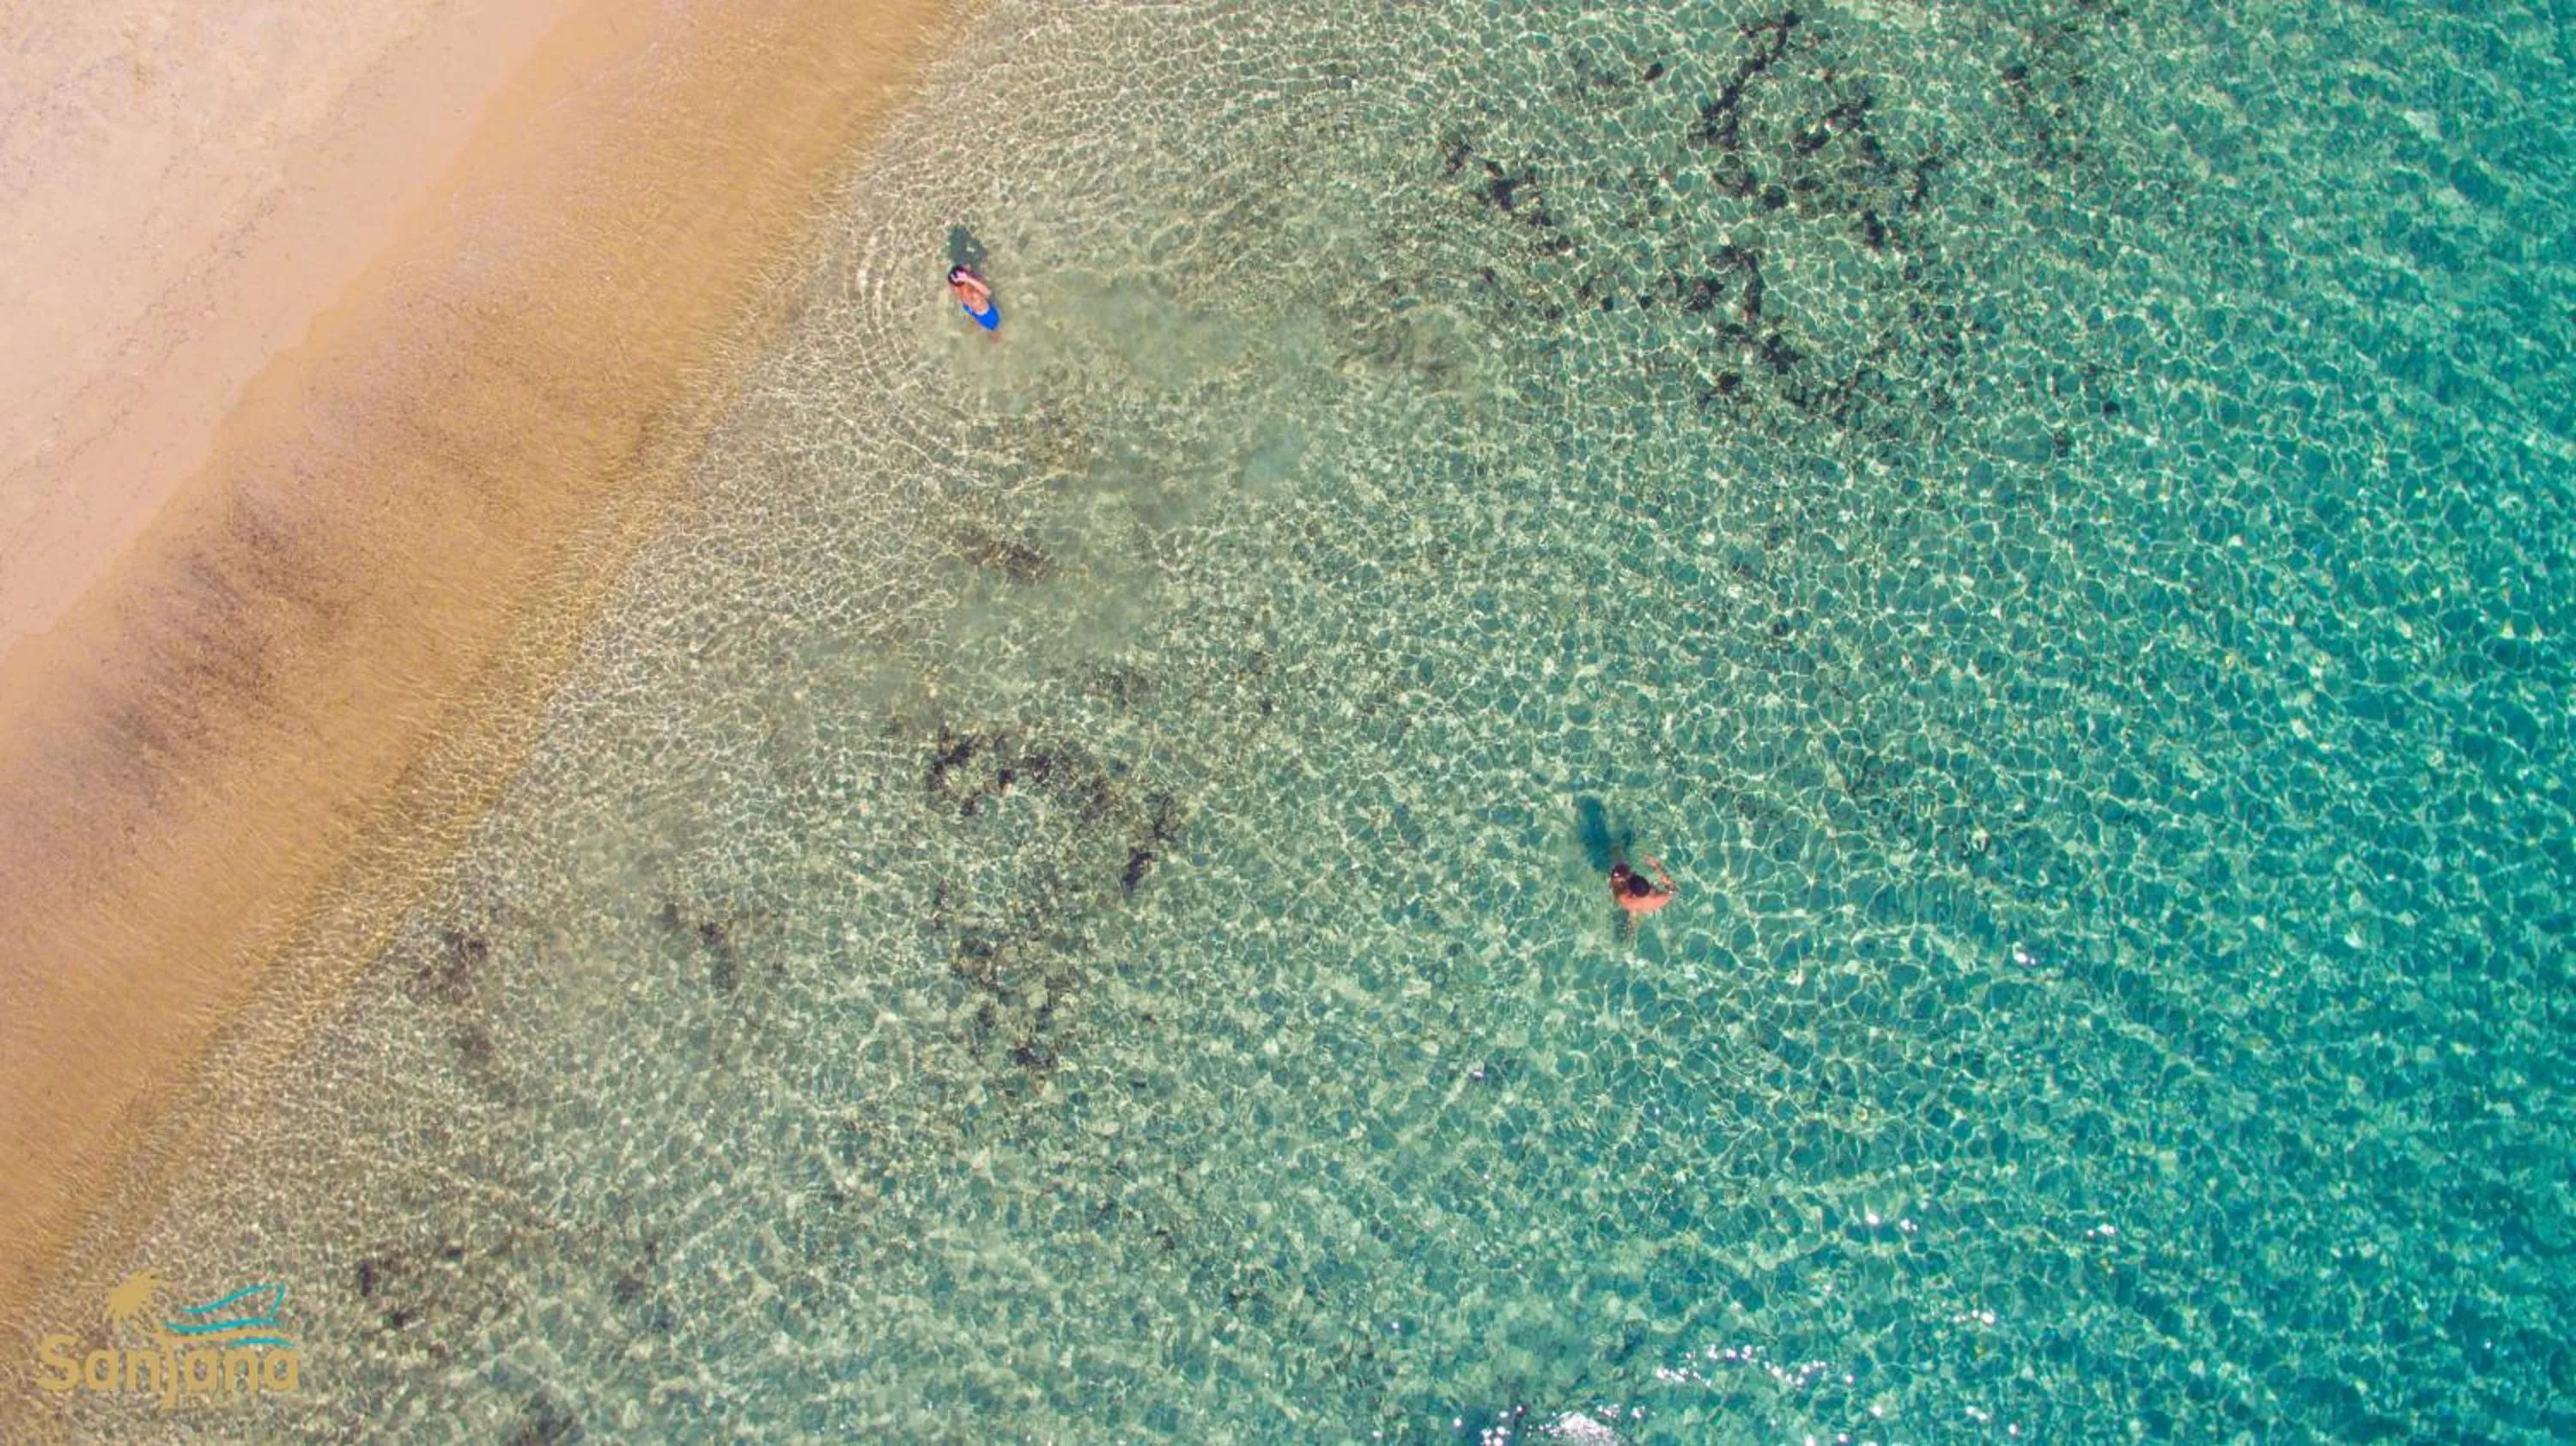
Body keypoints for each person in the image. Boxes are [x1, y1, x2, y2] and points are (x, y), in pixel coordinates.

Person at [1609, 855, 1675, 916]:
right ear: (1649, 885)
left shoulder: (1625, 899)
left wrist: (1616, 879)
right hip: (1649, 909)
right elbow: (1673, 889)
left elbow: (1614, 884)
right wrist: (1656, 866)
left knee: (1619, 865)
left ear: (1632, 893)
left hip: (1632, 909)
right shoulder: (1661, 899)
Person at [948, 264, 999, 331]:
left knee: (976, 317)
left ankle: (977, 324)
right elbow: (988, 293)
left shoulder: (955, 287)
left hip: (969, 308)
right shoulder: (974, 295)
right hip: (988, 317)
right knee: (995, 331)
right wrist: (968, 279)